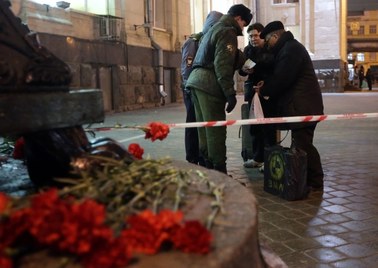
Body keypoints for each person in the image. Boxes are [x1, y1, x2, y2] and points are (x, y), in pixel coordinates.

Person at [256, 21, 324, 191]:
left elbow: (282, 79)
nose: (268, 44)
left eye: (268, 39)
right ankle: (309, 179)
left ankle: (315, 181)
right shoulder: (288, 48)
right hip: (301, 106)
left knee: (303, 145)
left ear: (276, 36)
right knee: (302, 144)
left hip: (304, 107)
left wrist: (265, 88)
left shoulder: (290, 49)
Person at [186, 4, 253, 174]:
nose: (242, 29)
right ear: (238, 18)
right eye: (244, 25)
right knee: (215, 131)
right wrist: (230, 94)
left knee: (204, 130)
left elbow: (216, 55)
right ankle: (220, 175)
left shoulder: (214, 29)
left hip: (196, 82)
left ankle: (209, 172)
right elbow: (222, 65)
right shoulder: (227, 31)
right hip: (209, 85)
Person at [181, 11, 223, 166]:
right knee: (192, 122)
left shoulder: (210, 40)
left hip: (201, 87)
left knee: (202, 123)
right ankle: (192, 156)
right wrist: (188, 88)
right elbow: (187, 67)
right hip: (191, 88)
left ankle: (202, 154)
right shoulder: (194, 41)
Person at [239, 23, 276, 169]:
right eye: (250, 36)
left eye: (255, 35)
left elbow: (270, 66)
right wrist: (244, 69)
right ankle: (257, 158)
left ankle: (270, 160)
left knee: (269, 128)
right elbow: (242, 70)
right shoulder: (248, 50)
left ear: (262, 35)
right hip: (252, 94)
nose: (253, 38)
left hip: (267, 93)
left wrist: (256, 66)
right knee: (254, 127)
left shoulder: (270, 49)